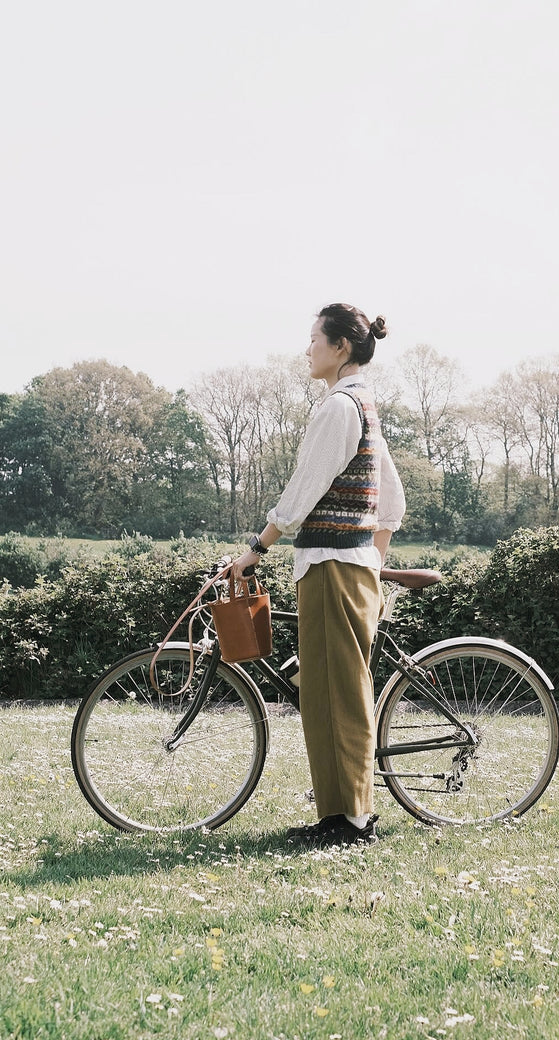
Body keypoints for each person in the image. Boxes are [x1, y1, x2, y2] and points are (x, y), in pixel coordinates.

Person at [231, 303, 405, 846]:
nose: (307, 350)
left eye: (314, 340)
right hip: (336, 564)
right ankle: (336, 814)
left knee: (342, 695)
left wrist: (258, 546)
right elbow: (392, 497)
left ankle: (353, 819)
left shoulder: (339, 407)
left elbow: (304, 490)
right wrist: (376, 550)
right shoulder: (359, 404)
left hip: (334, 566)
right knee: (323, 690)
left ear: (341, 348)